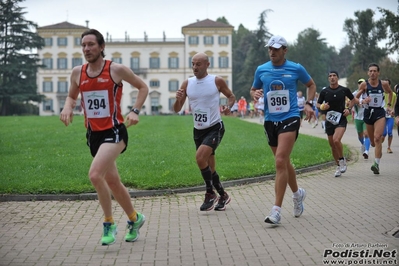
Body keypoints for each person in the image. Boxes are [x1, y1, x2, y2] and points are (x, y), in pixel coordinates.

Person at [59, 29, 148, 245]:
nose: (86, 49)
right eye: (83, 45)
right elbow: (71, 96)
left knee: (95, 174)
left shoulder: (115, 70)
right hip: (94, 135)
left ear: (101, 46)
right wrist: (67, 107)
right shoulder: (77, 72)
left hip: (115, 131)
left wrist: (135, 111)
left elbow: (143, 87)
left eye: (91, 44)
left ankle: (109, 223)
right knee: (114, 183)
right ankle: (135, 219)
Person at [250, 35, 316, 225]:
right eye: (270, 48)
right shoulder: (261, 69)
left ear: (285, 50)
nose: (272, 52)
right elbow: (253, 88)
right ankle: (297, 195)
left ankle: (276, 211)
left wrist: (309, 103)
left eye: (276, 49)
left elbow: (311, 85)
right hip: (271, 121)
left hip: (291, 117)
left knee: (280, 160)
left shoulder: (295, 68)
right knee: (284, 163)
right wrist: (254, 93)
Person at [173, 52, 236, 211]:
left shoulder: (216, 81)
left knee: (200, 158)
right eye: (193, 64)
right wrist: (178, 98)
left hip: (215, 127)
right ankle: (223, 195)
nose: (194, 67)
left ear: (207, 65)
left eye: (198, 64)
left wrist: (229, 107)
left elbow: (231, 96)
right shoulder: (187, 83)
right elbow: (177, 109)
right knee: (210, 168)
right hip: (198, 130)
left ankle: (210, 193)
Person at [355, 63, 393, 175]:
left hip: (380, 113)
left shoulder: (384, 84)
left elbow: (390, 93)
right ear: (368, 73)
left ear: (378, 72)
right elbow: (356, 98)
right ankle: (378, 151)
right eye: (370, 71)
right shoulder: (364, 85)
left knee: (377, 138)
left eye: (375, 71)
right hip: (368, 113)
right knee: (372, 142)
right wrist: (362, 101)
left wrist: (389, 105)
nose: (372, 73)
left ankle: (376, 164)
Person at [317, 71, 356, 177]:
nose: (332, 78)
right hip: (329, 121)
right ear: (328, 79)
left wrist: (348, 108)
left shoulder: (344, 90)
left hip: (341, 119)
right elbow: (318, 103)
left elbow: (353, 100)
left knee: (336, 140)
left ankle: (342, 160)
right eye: (330, 76)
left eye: (334, 76)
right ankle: (338, 166)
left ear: (337, 78)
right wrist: (322, 107)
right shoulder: (324, 91)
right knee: (332, 145)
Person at [352, 78, 371, 159]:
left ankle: (366, 151)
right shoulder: (355, 93)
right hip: (357, 117)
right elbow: (351, 101)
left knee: (366, 134)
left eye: (362, 83)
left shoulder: (369, 93)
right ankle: (363, 144)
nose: (361, 84)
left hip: (366, 117)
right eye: (359, 83)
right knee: (360, 135)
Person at [381, 79, 397, 153]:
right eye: (383, 86)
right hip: (382, 116)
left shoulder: (393, 94)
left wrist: (393, 110)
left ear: (389, 86)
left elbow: (395, 104)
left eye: (386, 85)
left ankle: (388, 147)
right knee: (384, 133)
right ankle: (379, 144)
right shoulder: (381, 94)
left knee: (390, 132)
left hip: (390, 116)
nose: (384, 87)